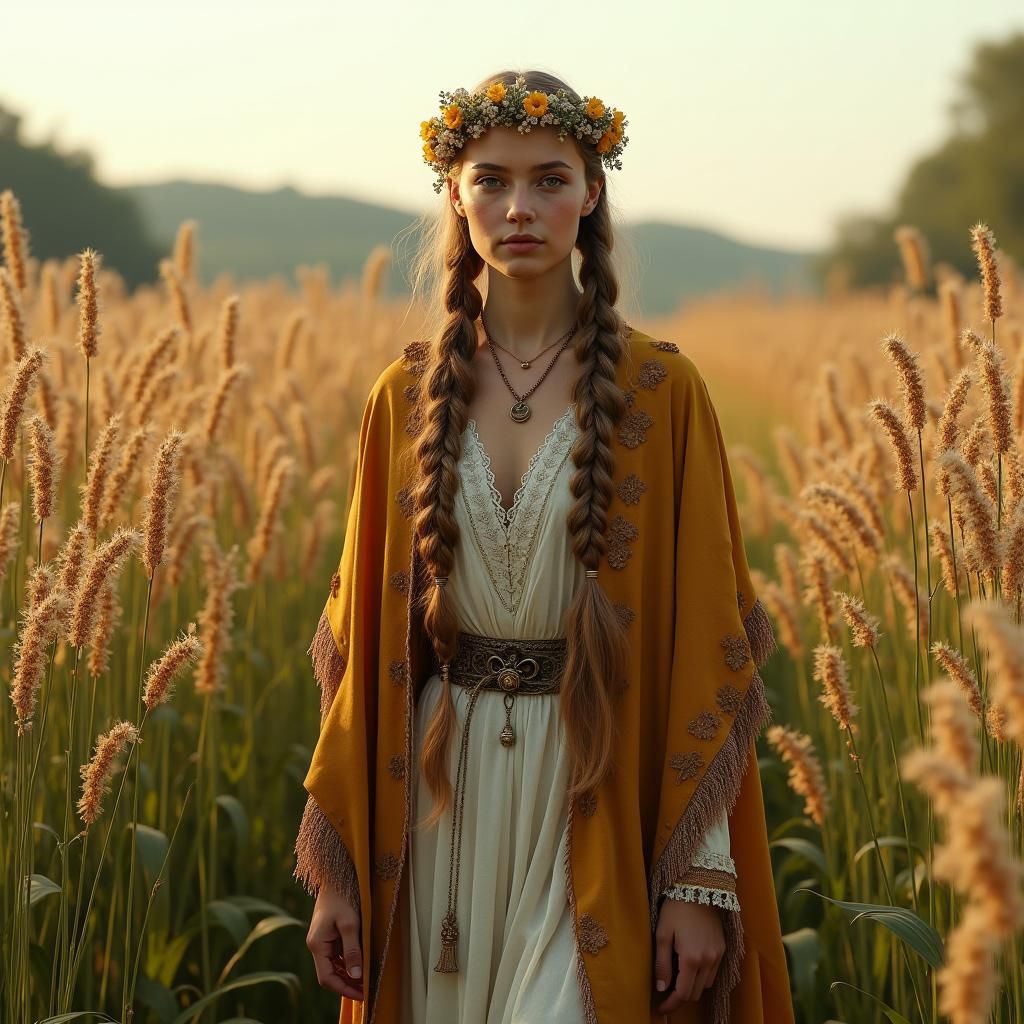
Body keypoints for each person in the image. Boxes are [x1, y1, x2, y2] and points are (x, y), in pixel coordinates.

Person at [294, 69, 795, 1023]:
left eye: (550, 178)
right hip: (439, 805)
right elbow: (362, 657)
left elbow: (709, 653)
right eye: (491, 179)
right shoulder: (401, 399)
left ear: (592, 192)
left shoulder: (661, 393)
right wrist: (341, 875)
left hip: (601, 793)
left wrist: (697, 877)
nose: (519, 206)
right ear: (454, 193)